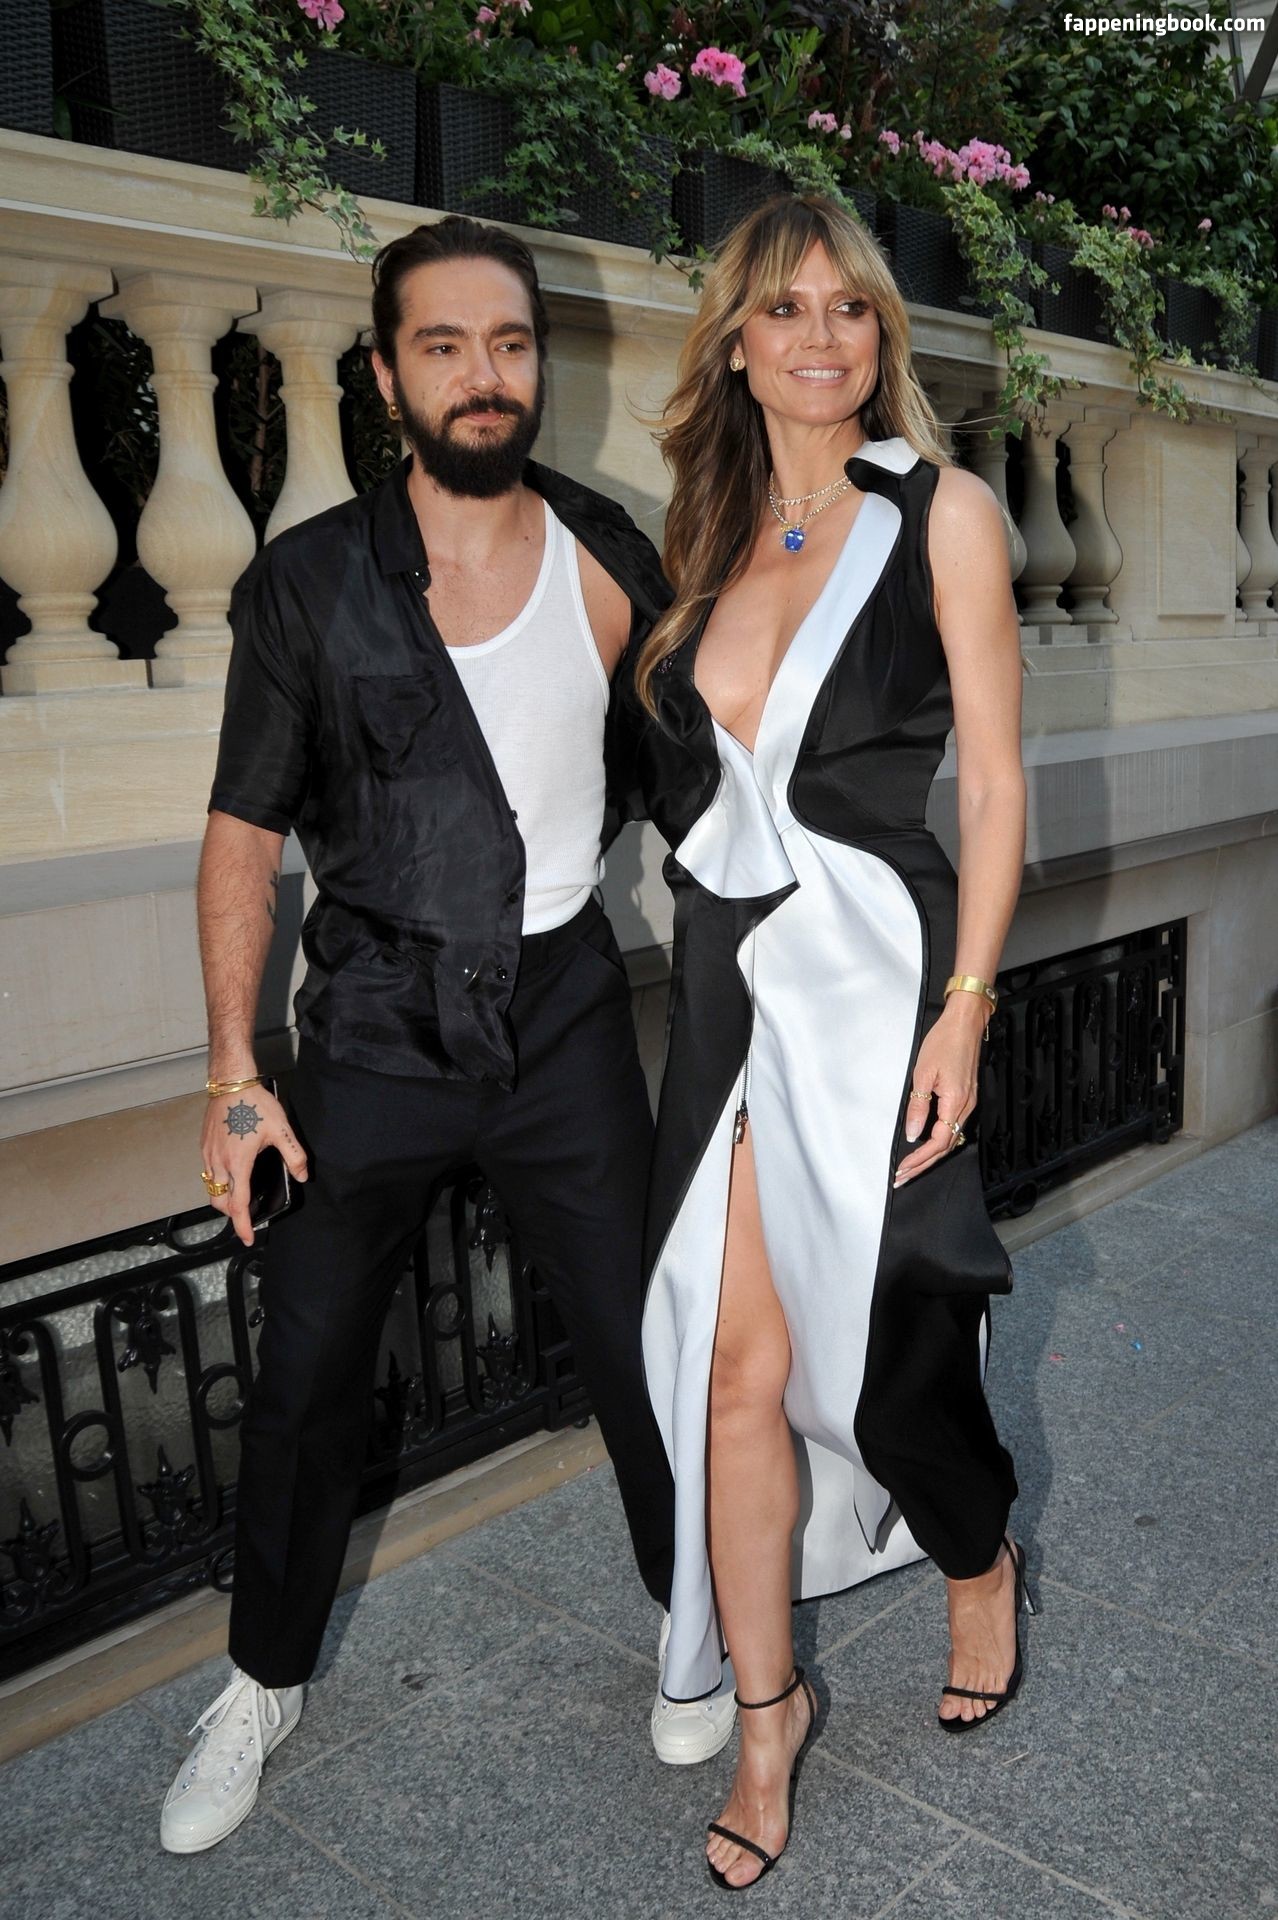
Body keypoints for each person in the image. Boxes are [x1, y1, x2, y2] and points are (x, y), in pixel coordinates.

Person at [160, 215, 735, 1857]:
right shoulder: (308, 583)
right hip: (369, 1028)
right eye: (444, 346)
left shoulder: (613, 555)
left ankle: (690, 1621)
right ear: (384, 372)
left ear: (535, 362)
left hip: (562, 1016)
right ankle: (262, 1682)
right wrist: (234, 1075)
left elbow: (702, 802)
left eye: (508, 343)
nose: (484, 376)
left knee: (642, 1339)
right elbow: (238, 837)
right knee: (305, 1371)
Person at [624, 194, 1032, 1891]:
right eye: (783, 309)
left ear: (880, 334)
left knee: (890, 1343)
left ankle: (974, 1555)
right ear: (733, 342)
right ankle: (765, 1714)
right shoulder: (702, 531)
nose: (818, 337)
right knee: (730, 1366)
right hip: (731, 982)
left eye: (848, 308)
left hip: (878, 974)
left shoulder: (942, 513)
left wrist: (967, 1007)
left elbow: (993, 782)